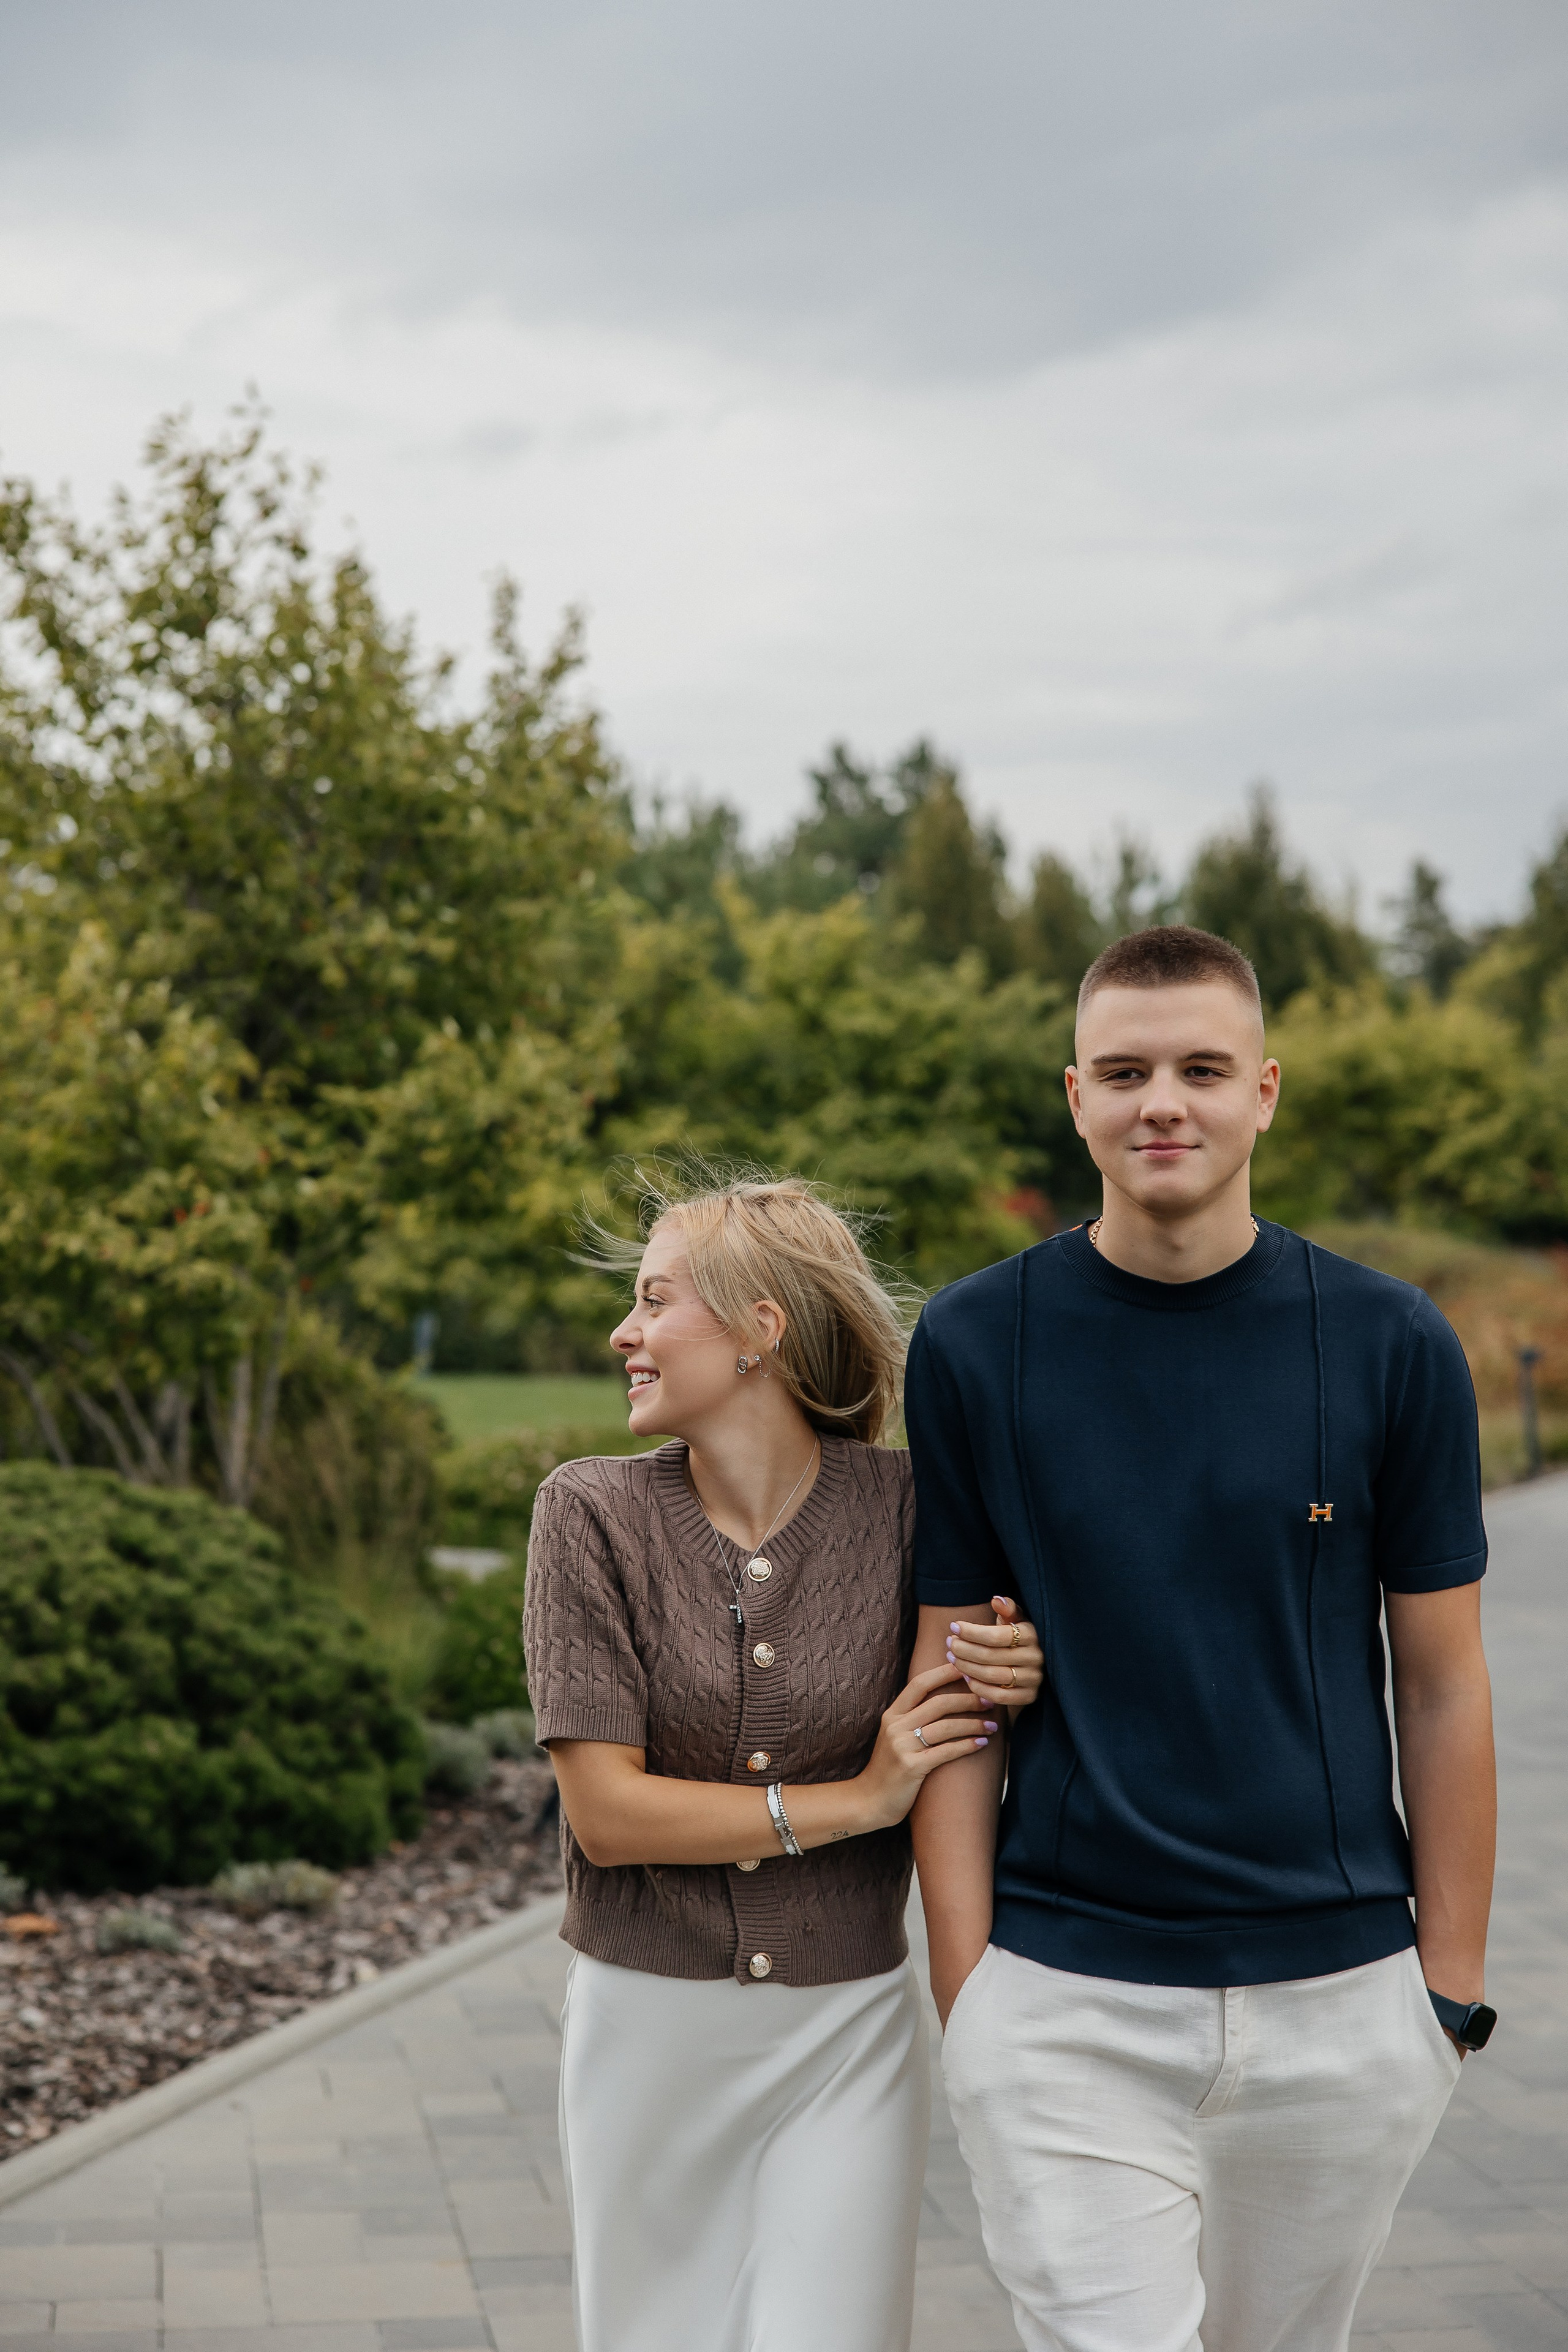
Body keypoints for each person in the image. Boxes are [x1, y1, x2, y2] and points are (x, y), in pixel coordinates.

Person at [905, 925, 1497, 2352]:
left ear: (1263, 1093)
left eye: (1197, 1068)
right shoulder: (976, 1341)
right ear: (1073, 1099)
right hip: (1061, 1999)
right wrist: (968, 1993)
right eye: (1122, 1070)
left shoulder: (1387, 1342)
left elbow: (1439, 1682)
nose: (1159, 1099)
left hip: (1341, 2000)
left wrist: (1447, 1994)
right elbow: (944, 1681)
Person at [522, 1171, 1046, 2352]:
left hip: (845, 2034)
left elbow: (980, 1702)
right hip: (645, 2034)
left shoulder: (913, 1510)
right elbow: (608, 1815)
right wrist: (859, 1798)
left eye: (655, 1301)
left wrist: (1023, 1668)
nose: (625, 1331)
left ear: (762, 1329)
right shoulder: (589, 1515)